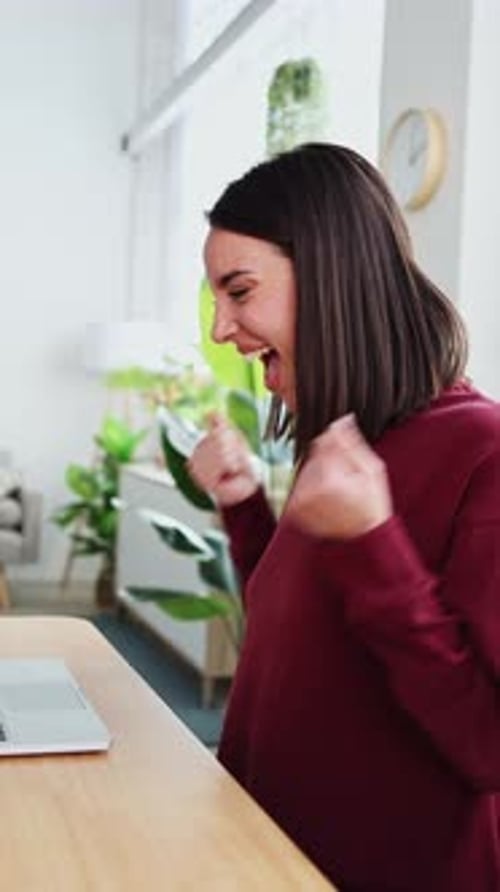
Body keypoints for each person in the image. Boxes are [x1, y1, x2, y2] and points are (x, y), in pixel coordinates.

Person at [188, 142, 500, 892]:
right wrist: (243, 508)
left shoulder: (482, 452)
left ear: (333, 278)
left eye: (239, 291)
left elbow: (488, 746)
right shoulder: (353, 439)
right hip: (269, 852)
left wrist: (372, 545)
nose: (221, 330)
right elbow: (305, 627)